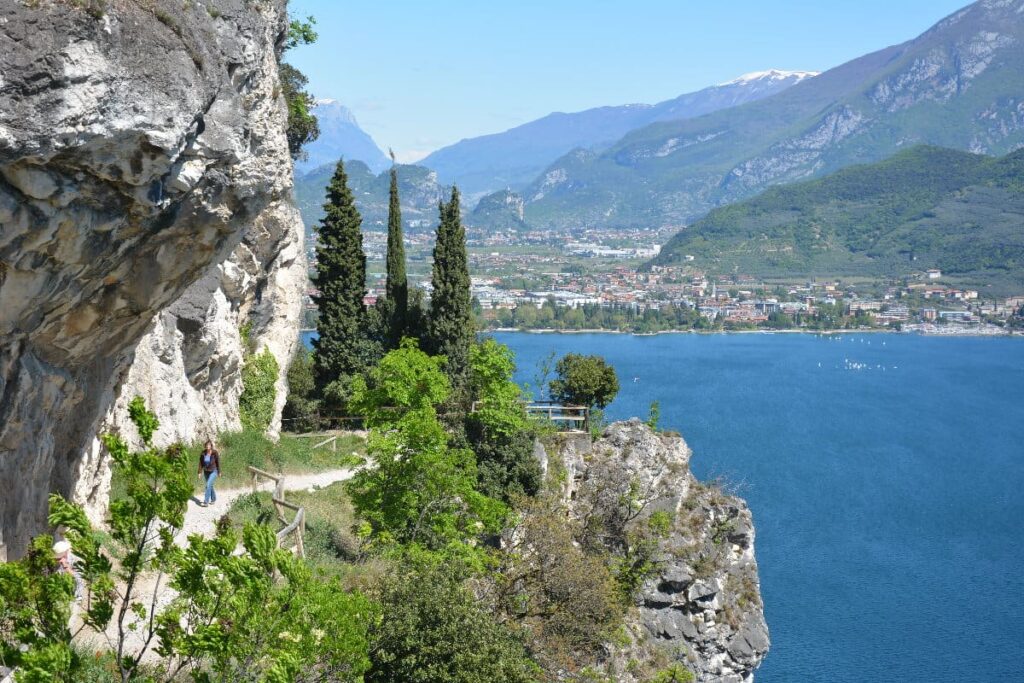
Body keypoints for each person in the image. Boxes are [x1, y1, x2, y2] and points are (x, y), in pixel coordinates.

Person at [198, 439, 220, 507]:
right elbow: (201, 463)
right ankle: (213, 499)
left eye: (209, 445)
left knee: (208, 485)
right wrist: (199, 472)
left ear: (211, 446)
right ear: (205, 446)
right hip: (206, 471)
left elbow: (218, 462)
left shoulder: (214, 452)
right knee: (210, 485)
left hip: (214, 471)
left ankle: (206, 502)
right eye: (207, 445)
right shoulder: (203, 453)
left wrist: (219, 471)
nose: (208, 446)